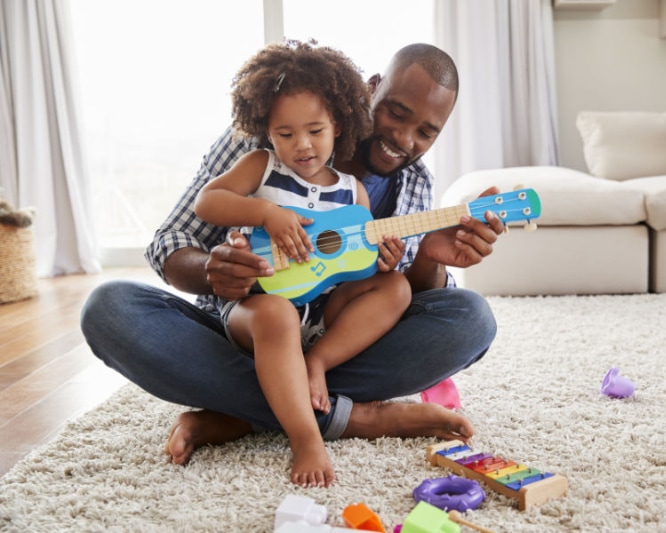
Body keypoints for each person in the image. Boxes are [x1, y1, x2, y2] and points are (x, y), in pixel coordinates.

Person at [80, 42, 505, 486]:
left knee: (472, 319)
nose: (405, 139)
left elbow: (408, 300)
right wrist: (212, 270)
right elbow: (171, 240)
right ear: (372, 89)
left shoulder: (411, 183)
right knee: (109, 309)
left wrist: (431, 259)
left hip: (332, 340)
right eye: (396, 114)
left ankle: (244, 414)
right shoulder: (263, 140)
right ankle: (351, 418)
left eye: (426, 132)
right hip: (247, 325)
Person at [194, 41, 411, 486]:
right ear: (267, 131)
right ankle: (306, 436)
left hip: (320, 318)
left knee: (398, 289)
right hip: (259, 310)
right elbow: (207, 202)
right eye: (285, 134)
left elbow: (353, 265)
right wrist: (265, 214)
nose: (302, 145)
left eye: (315, 130)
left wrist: (384, 262)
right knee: (275, 314)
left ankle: (315, 366)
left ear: (339, 123)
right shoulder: (262, 166)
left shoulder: (353, 192)